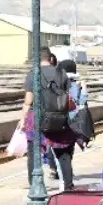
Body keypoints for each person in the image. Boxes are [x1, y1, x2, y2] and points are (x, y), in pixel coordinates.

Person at [17, 47, 79, 192]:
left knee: (34, 153)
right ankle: (68, 186)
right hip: (59, 117)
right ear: (50, 58)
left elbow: (28, 100)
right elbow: (68, 96)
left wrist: (23, 118)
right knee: (63, 154)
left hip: (37, 118)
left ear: (36, 59)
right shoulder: (61, 72)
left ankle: (35, 186)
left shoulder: (33, 74)